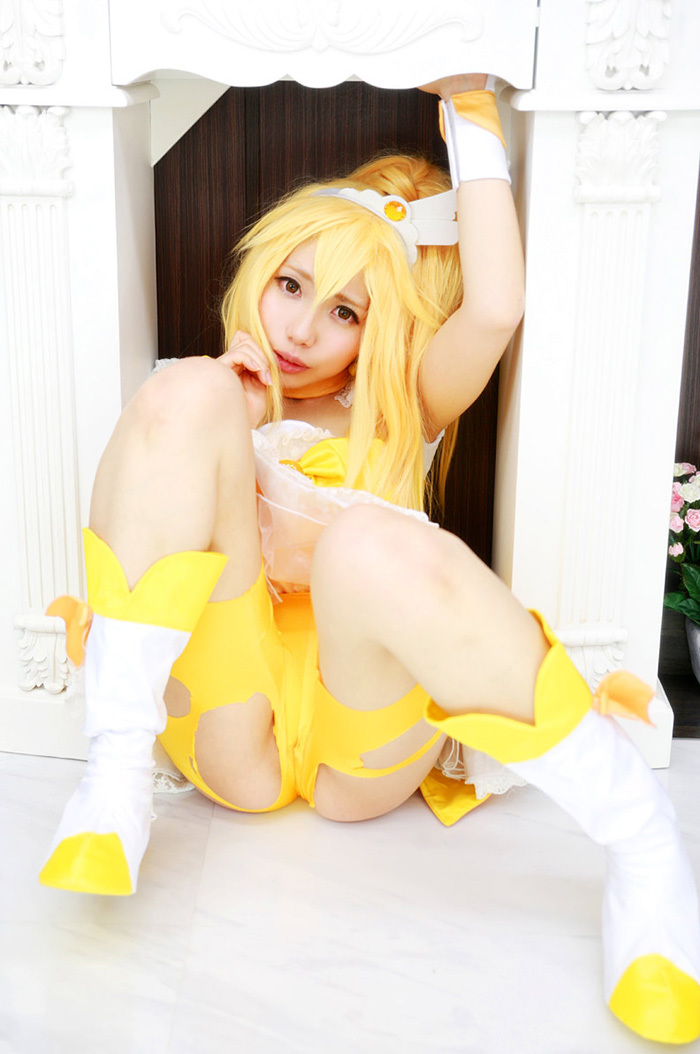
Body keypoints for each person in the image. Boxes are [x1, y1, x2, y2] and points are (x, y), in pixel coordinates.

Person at [39, 74, 700, 1045]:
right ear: (260, 272)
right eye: (291, 285)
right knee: (179, 391)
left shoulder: (401, 409)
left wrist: (472, 115)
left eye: (345, 311)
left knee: (365, 537)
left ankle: (643, 844)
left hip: (362, 742)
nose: (302, 329)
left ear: (377, 331)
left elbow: (495, 308)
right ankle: (113, 777)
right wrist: (232, 411)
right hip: (229, 732)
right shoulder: (217, 394)